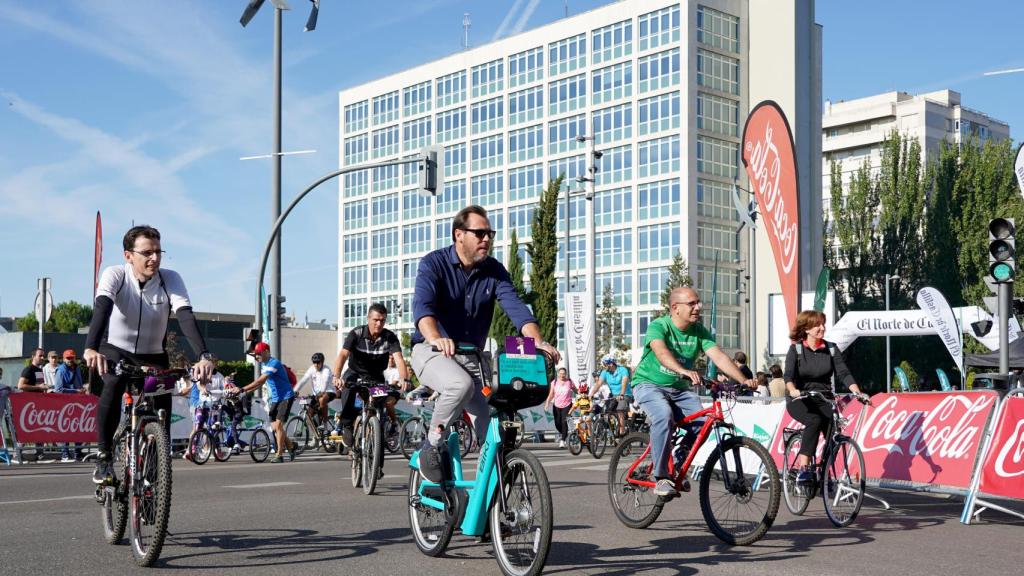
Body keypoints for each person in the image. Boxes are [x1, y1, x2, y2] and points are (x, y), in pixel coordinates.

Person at [410, 205, 560, 483]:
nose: (487, 239)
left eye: (489, 233)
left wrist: (538, 341)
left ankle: (490, 505)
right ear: (459, 235)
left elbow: (515, 308)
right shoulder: (434, 263)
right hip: (430, 351)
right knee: (460, 385)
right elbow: (423, 308)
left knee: (493, 428)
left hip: (473, 359)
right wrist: (436, 337)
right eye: (479, 233)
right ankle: (431, 444)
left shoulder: (494, 270)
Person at [84, 225, 215, 484]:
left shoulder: (170, 279)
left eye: (158, 252)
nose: (154, 258)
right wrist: (91, 347)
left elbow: (186, 317)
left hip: (154, 355)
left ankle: (153, 481)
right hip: (116, 350)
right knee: (112, 383)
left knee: (161, 418)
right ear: (128, 255)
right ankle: (104, 456)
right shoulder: (115, 275)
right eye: (147, 252)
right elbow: (102, 310)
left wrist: (204, 354)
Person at [631, 287, 756, 498]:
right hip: (648, 384)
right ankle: (661, 476)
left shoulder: (699, 331)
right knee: (663, 415)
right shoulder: (659, 326)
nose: (698, 307)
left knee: (704, 423)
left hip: (678, 390)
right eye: (692, 304)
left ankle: (679, 458)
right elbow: (661, 352)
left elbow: (719, 357)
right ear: (675, 308)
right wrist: (682, 370)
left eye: (698, 302)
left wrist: (745, 380)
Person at [784, 310, 865, 485]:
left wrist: (857, 392)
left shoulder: (831, 348)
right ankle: (804, 469)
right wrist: (792, 390)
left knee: (834, 429)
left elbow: (843, 373)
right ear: (806, 329)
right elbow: (788, 376)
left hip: (823, 397)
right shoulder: (796, 349)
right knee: (814, 420)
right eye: (817, 325)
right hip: (800, 398)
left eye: (823, 324)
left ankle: (824, 472)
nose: (822, 328)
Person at [330, 303, 410, 457]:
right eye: (375, 320)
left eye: (382, 320)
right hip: (355, 372)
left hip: (376, 376)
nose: (379, 324)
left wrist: (404, 378)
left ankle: (377, 462)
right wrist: (337, 376)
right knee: (347, 387)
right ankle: (347, 425)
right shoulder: (356, 333)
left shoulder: (390, 337)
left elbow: (399, 359)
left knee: (378, 412)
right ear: (368, 319)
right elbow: (342, 355)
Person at [230, 342, 295, 463]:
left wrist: (242, 389)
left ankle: (279, 454)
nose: (256, 357)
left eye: (259, 354)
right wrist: (244, 393)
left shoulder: (274, 363)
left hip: (286, 396)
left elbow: (260, 380)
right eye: (255, 355)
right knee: (275, 428)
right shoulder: (264, 365)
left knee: (279, 425)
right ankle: (291, 446)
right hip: (275, 398)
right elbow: (262, 384)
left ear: (266, 352)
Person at [54, 350, 86, 462]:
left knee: (78, 428)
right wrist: (76, 391)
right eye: (68, 358)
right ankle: (65, 454)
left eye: (72, 357)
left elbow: (79, 384)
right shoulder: (60, 370)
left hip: (77, 403)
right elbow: (58, 390)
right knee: (65, 429)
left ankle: (78, 452)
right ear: (63, 358)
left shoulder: (77, 368)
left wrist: (82, 389)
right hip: (65, 404)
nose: (70, 360)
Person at [296, 352, 334, 433]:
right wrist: (295, 391)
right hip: (316, 394)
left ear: (322, 362)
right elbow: (303, 380)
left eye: (318, 362)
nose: (316, 365)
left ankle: (325, 425)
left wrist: (319, 394)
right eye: (314, 362)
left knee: (322, 399)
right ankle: (317, 437)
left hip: (329, 391)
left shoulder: (326, 370)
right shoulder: (312, 369)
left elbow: (324, 384)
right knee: (309, 416)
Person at [599, 355, 631, 437]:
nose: (604, 366)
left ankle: (622, 431)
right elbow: (598, 383)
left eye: (605, 364)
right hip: (614, 396)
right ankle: (614, 427)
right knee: (606, 411)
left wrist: (622, 394)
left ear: (611, 364)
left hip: (625, 394)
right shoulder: (605, 372)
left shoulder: (622, 370)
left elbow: (624, 382)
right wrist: (590, 394)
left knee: (620, 410)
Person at [544, 368, 576, 448]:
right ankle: (566, 435)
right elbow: (551, 394)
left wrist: (582, 394)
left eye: (563, 373)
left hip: (567, 404)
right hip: (557, 405)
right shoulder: (554, 382)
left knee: (563, 422)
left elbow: (575, 389)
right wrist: (547, 403)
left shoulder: (569, 381)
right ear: (558, 374)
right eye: (560, 373)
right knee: (557, 423)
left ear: (566, 374)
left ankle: (563, 440)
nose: (562, 375)